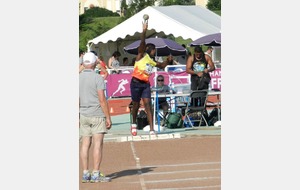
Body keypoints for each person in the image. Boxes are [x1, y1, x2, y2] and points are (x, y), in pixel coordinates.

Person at [130, 20, 171, 136]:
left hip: (145, 84)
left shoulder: (152, 61)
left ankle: (152, 129)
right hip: (135, 83)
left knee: (148, 104)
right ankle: (134, 124)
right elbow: (142, 42)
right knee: (136, 104)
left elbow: (162, 66)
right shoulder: (141, 55)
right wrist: (144, 30)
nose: (155, 52)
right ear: (150, 50)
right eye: (154, 50)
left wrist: (168, 61)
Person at [79, 52, 112, 183]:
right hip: (97, 113)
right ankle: (95, 173)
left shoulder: (78, 77)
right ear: (94, 63)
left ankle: (85, 172)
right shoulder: (98, 78)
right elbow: (102, 99)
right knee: (97, 144)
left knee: (85, 144)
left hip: (83, 113)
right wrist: (108, 117)